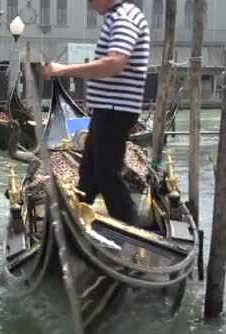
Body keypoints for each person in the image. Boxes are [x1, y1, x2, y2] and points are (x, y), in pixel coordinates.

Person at [42, 0, 149, 226]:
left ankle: (134, 238)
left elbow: (114, 63)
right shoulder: (116, 16)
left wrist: (64, 70)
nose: (89, 4)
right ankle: (74, 224)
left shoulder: (124, 16)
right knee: (89, 173)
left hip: (115, 109)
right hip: (108, 109)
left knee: (108, 175)